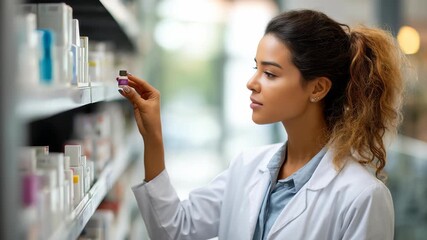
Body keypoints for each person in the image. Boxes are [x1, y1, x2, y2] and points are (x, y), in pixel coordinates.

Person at [119, 9, 405, 240]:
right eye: (255, 67)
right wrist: (153, 139)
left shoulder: (362, 197)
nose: (251, 83)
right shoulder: (247, 167)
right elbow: (173, 231)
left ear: (317, 88)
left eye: (269, 73)